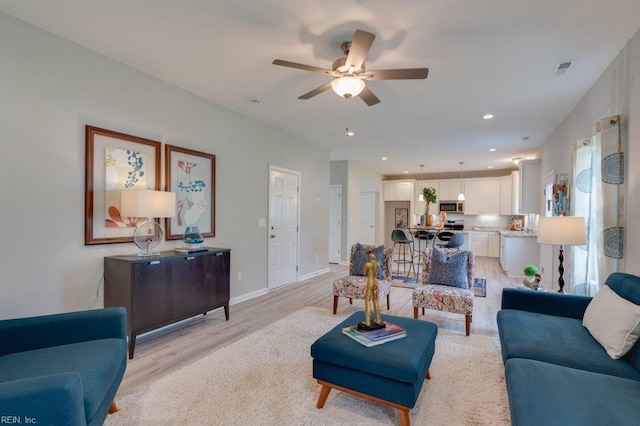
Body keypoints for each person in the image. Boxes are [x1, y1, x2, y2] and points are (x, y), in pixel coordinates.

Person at [363, 253, 383, 327]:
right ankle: (378, 319)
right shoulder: (377, 264)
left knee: (367, 300)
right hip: (375, 282)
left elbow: (364, 273)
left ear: (369, 257)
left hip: (370, 282)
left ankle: (367, 321)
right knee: (376, 300)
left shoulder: (367, 264)